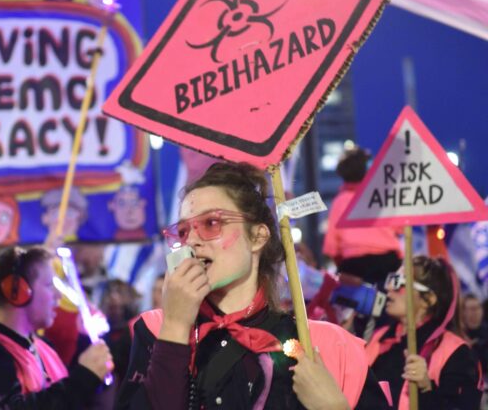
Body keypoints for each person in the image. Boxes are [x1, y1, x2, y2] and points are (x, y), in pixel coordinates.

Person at [117, 162, 390, 409]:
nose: (192, 242)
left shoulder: (325, 344)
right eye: (184, 231)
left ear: (258, 237)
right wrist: (175, 326)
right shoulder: (154, 331)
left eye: (212, 223)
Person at [0, 246, 113, 409]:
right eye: (49, 285)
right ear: (18, 291)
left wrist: (87, 347)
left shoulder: (41, 347)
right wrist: (84, 378)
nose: (58, 296)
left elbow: (67, 398)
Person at [366, 256, 482, 409]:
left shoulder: (456, 352)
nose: (389, 288)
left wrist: (426, 388)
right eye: (391, 279)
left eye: (399, 282)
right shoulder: (380, 337)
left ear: (428, 299)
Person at [323, 145, 402, 285]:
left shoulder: (340, 202)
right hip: (388, 261)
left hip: (354, 265)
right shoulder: (380, 196)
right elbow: (399, 228)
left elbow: (333, 248)